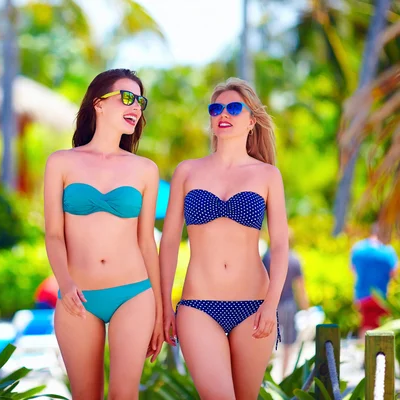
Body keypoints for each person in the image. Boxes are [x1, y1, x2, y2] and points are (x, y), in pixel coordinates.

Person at [159, 77, 288, 399]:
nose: (223, 114)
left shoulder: (267, 175)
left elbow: (281, 244)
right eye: (215, 108)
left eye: (233, 107)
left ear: (251, 120)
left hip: (255, 307)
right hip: (198, 306)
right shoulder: (187, 171)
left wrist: (271, 305)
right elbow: (170, 242)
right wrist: (164, 305)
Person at [43, 68, 163, 399]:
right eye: (127, 97)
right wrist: (65, 285)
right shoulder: (61, 162)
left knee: (124, 395)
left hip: (134, 294)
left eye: (140, 101)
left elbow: (146, 243)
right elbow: (53, 234)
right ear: (98, 103)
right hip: (78, 297)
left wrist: (162, 311)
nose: (136, 107)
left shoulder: (145, 170)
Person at [263, 227, 309, 378]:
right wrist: (306, 308)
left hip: (270, 304)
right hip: (289, 304)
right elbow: (300, 287)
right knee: (288, 344)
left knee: (267, 342)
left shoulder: (268, 256)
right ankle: (284, 376)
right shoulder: (295, 259)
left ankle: (266, 376)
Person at [351, 222, 398, 338]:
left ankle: (365, 354)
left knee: (365, 327)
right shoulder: (388, 251)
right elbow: (394, 273)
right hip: (381, 297)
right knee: (382, 330)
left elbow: (352, 269)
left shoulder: (358, 248)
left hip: (362, 295)